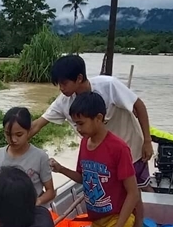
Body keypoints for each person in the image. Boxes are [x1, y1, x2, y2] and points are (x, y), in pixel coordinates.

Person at [50, 91, 142, 227]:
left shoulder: (118, 148)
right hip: (97, 220)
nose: (77, 128)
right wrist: (61, 168)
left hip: (116, 219)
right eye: (75, 123)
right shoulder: (85, 143)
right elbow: (84, 178)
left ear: (99, 118)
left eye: (81, 123)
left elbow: (133, 193)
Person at [29, 55, 155, 191]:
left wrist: (147, 141)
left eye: (64, 83)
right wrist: (16, 142)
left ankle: (153, 211)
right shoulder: (63, 102)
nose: (61, 88)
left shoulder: (109, 85)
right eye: (58, 84)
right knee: (112, 191)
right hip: (102, 155)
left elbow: (139, 106)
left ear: (79, 78)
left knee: (139, 188)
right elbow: (37, 124)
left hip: (130, 147)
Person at [0, 107, 56, 207]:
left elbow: (50, 191)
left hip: (33, 212)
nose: (13, 139)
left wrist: (37, 201)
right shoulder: (0, 154)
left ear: (29, 131)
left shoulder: (40, 157)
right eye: (8, 134)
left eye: (19, 135)